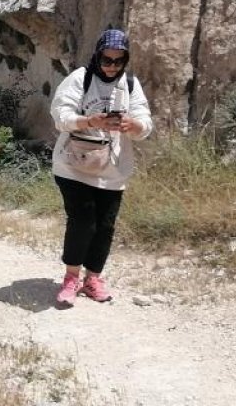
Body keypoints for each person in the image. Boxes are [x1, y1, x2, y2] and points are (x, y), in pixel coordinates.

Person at [49, 29, 152, 306]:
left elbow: (144, 118)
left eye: (119, 61)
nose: (112, 67)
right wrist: (89, 121)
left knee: (105, 226)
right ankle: (71, 278)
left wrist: (135, 125)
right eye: (107, 60)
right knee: (83, 221)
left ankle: (93, 278)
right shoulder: (80, 79)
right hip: (73, 164)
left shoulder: (130, 84)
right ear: (97, 56)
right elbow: (61, 115)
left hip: (113, 169)